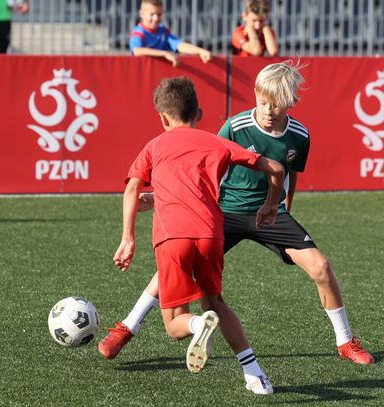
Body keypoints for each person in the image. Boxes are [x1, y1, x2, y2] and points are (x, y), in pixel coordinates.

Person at [99, 61, 374, 369]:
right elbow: (200, 165)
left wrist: (281, 206)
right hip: (224, 210)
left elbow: (289, 172)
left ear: (290, 102)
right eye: (263, 102)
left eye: (276, 105)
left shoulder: (300, 135)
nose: (268, 111)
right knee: (171, 268)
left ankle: (345, 342)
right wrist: (158, 196)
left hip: (269, 213)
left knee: (321, 267)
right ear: (255, 94)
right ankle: (127, 328)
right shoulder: (235, 126)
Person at [112, 76, 285, 394]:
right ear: (199, 114)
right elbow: (276, 168)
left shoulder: (155, 145)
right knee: (215, 302)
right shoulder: (217, 143)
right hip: (210, 235)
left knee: (175, 325)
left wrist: (128, 238)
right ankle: (255, 376)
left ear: (163, 118)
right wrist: (272, 204)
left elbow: (133, 189)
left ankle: (197, 324)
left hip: (172, 238)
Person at [129, 0, 212, 67]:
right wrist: (164, 54)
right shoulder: (138, 32)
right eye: (152, 14)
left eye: (159, 14)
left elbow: (179, 45)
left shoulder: (163, 31)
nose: (155, 18)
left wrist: (200, 51)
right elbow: (137, 51)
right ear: (141, 14)